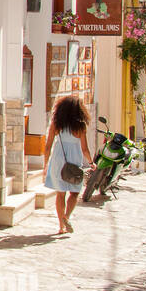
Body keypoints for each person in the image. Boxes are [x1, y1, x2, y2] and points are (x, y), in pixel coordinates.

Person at [43, 95, 93, 234]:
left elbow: (48, 146)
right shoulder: (81, 126)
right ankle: (66, 217)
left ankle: (61, 226)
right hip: (74, 162)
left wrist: (45, 164)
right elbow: (84, 149)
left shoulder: (56, 124)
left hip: (58, 160)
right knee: (75, 193)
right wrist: (91, 162)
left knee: (60, 194)